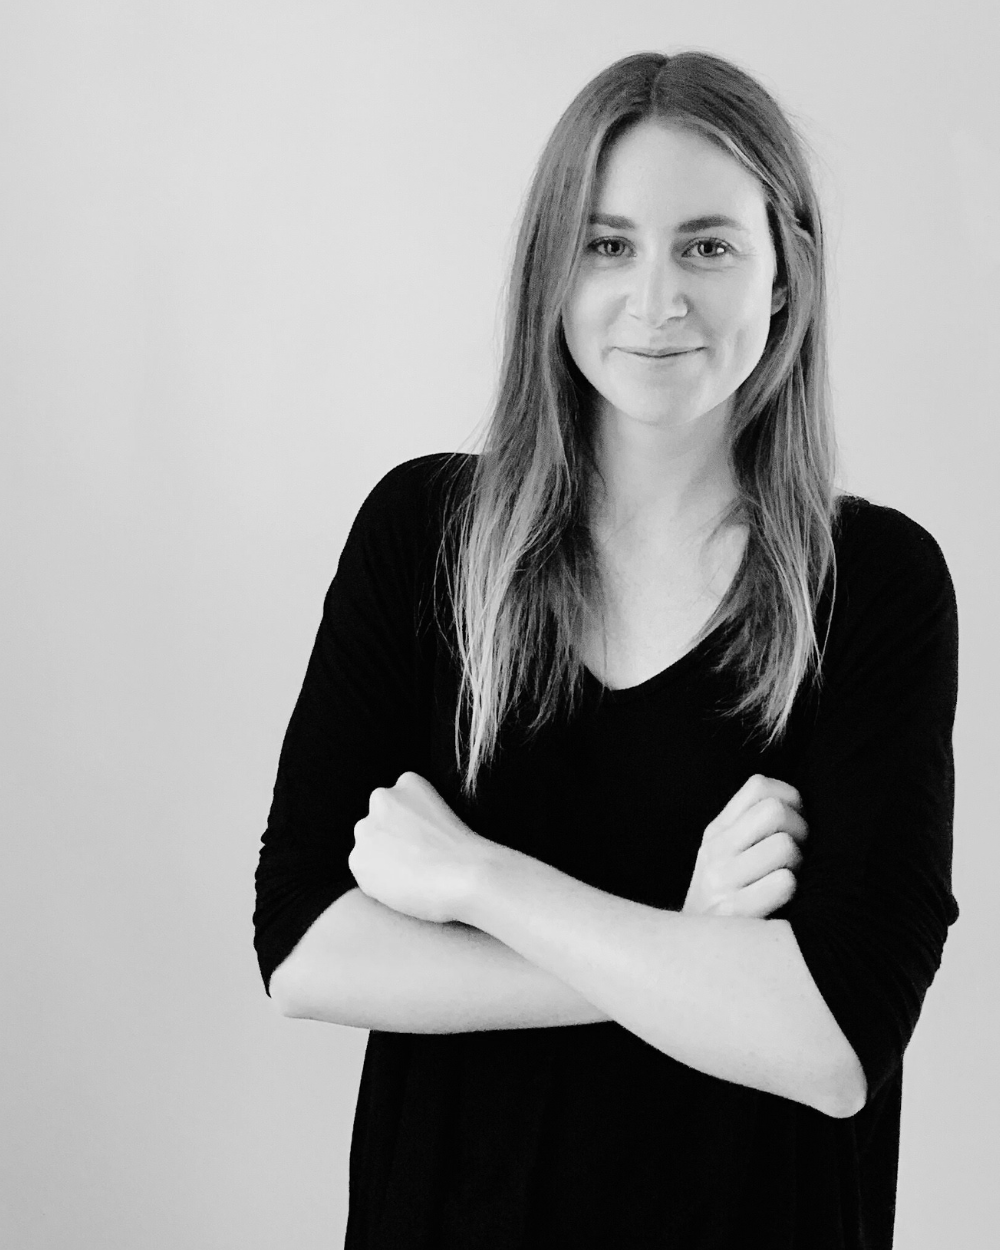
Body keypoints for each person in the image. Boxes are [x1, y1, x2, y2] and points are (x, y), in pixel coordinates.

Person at [253, 50, 959, 1249]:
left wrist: (482, 883)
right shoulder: (424, 536)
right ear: (551, 271)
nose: (654, 299)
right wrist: (684, 943)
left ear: (785, 274)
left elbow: (833, 1042)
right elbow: (308, 948)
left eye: (707, 245)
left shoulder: (874, 583)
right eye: (607, 242)